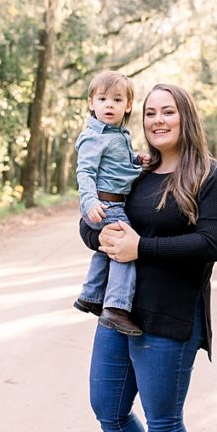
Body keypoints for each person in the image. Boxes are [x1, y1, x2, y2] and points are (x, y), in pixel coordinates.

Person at [79, 82, 217, 432]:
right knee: (108, 407)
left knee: (164, 420)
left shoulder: (208, 175)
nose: (158, 120)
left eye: (168, 111)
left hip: (170, 316)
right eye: (150, 113)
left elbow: (211, 244)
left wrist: (141, 248)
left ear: (186, 116)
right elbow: (93, 224)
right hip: (118, 309)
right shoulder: (136, 171)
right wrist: (98, 229)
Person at [73, 69, 148, 336]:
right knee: (124, 249)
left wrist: (137, 160)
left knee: (106, 249)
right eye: (103, 99)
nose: (109, 105)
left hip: (112, 201)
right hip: (104, 204)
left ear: (128, 105)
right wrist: (90, 202)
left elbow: (117, 166)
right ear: (91, 103)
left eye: (117, 100)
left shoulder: (119, 134)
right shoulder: (93, 136)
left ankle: (91, 295)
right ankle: (116, 308)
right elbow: (85, 172)